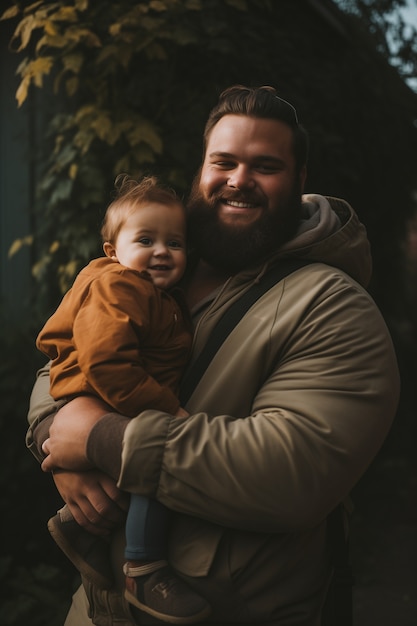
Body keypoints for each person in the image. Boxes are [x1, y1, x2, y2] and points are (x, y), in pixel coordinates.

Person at [28, 85, 400, 626]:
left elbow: (290, 472)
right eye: (222, 161)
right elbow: (62, 354)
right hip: (94, 612)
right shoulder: (155, 264)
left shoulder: (332, 306)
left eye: (265, 165)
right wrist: (53, 428)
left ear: (299, 182)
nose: (238, 180)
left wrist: (99, 438)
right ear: (201, 171)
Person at [35, 174, 211, 623]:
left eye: (175, 243)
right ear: (114, 251)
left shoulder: (154, 293)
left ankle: (82, 529)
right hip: (104, 392)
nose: (162, 251)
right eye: (146, 239)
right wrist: (167, 409)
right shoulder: (120, 286)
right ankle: (144, 565)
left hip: (110, 393)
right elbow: (108, 362)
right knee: (152, 463)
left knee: (124, 480)